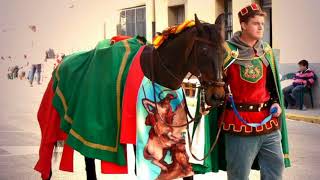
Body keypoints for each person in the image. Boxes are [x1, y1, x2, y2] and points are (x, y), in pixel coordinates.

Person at [219, 3, 290, 180]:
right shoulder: (226, 51)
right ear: (243, 25)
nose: (260, 27)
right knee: (239, 175)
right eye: (255, 23)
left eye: (262, 24)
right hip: (239, 124)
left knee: (275, 171)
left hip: (268, 123)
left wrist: (275, 102)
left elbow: (272, 85)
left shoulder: (266, 50)